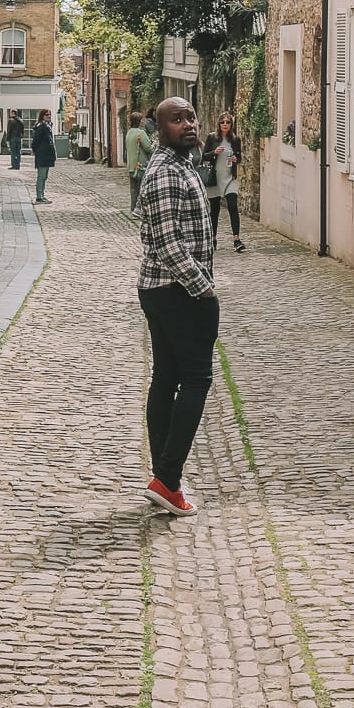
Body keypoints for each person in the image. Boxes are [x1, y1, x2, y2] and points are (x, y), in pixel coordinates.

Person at [136, 97, 216, 518]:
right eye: (176, 119)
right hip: (176, 291)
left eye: (190, 116)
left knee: (166, 378)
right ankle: (167, 478)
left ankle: (165, 478)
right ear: (159, 126)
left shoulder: (183, 163)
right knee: (196, 380)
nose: (188, 123)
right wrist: (205, 291)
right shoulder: (167, 171)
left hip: (166, 290)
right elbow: (169, 245)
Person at [204, 112, 245, 252]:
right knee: (214, 210)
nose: (225, 124)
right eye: (223, 122)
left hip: (229, 178)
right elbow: (204, 156)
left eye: (228, 122)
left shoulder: (235, 139)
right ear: (219, 124)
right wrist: (214, 152)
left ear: (231, 124)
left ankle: (236, 240)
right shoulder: (211, 138)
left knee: (233, 207)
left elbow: (239, 156)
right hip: (215, 178)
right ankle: (213, 238)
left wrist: (236, 159)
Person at [124, 111, 153, 212]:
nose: (143, 122)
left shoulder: (129, 132)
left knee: (133, 189)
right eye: (142, 120)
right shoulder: (141, 133)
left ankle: (133, 207)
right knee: (142, 187)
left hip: (131, 165)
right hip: (141, 165)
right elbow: (148, 148)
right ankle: (139, 209)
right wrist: (155, 144)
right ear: (139, 121)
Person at [31, 110, 56, 204]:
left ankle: (42, 195)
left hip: (46, 154)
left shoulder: (47, 125)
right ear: (42, 116)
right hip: (42, 154)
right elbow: (36, 140)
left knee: (44, 176)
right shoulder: (42, 126)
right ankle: (39, 197)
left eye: (49, 114)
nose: (48, 116)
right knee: (41, 176)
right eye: (46, 115)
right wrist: (35, 150)